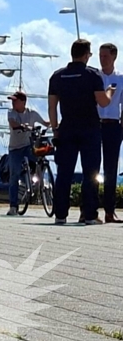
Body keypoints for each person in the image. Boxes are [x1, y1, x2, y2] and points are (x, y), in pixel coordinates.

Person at [48, 39, 114, 225]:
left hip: (67, 128)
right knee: (90, 172)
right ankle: (90, 215)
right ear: (87, 55)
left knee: (64, 173)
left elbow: (52, 107)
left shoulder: (57, 76)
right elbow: (103, 102)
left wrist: (55, 129)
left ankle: (60, 215)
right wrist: (110, 91)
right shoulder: (93, 75)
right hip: (90, 128)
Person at [4, 91, 50, 216]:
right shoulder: (11, 113)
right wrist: (22, 126)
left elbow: (45, 123)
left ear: (23, 102)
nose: (13, 103)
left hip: (28, 146)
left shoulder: (32, 114)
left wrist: (53, 124)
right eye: (12, 101)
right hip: (15, 148)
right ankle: (13, 206)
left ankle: (40, 183)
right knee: (14, 176)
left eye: (15, 100)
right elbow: (13, 124)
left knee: (41, 158)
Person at [97, 43, 123, 222]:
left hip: (113, 125)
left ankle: (109, 211)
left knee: (111, 169)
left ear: (114, 56)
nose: (102, 59)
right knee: (91, 166)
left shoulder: (121, 78)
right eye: (100, 55)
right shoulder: (94, 76)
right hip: (94, 124)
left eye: (105, 56)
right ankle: (88, 208)